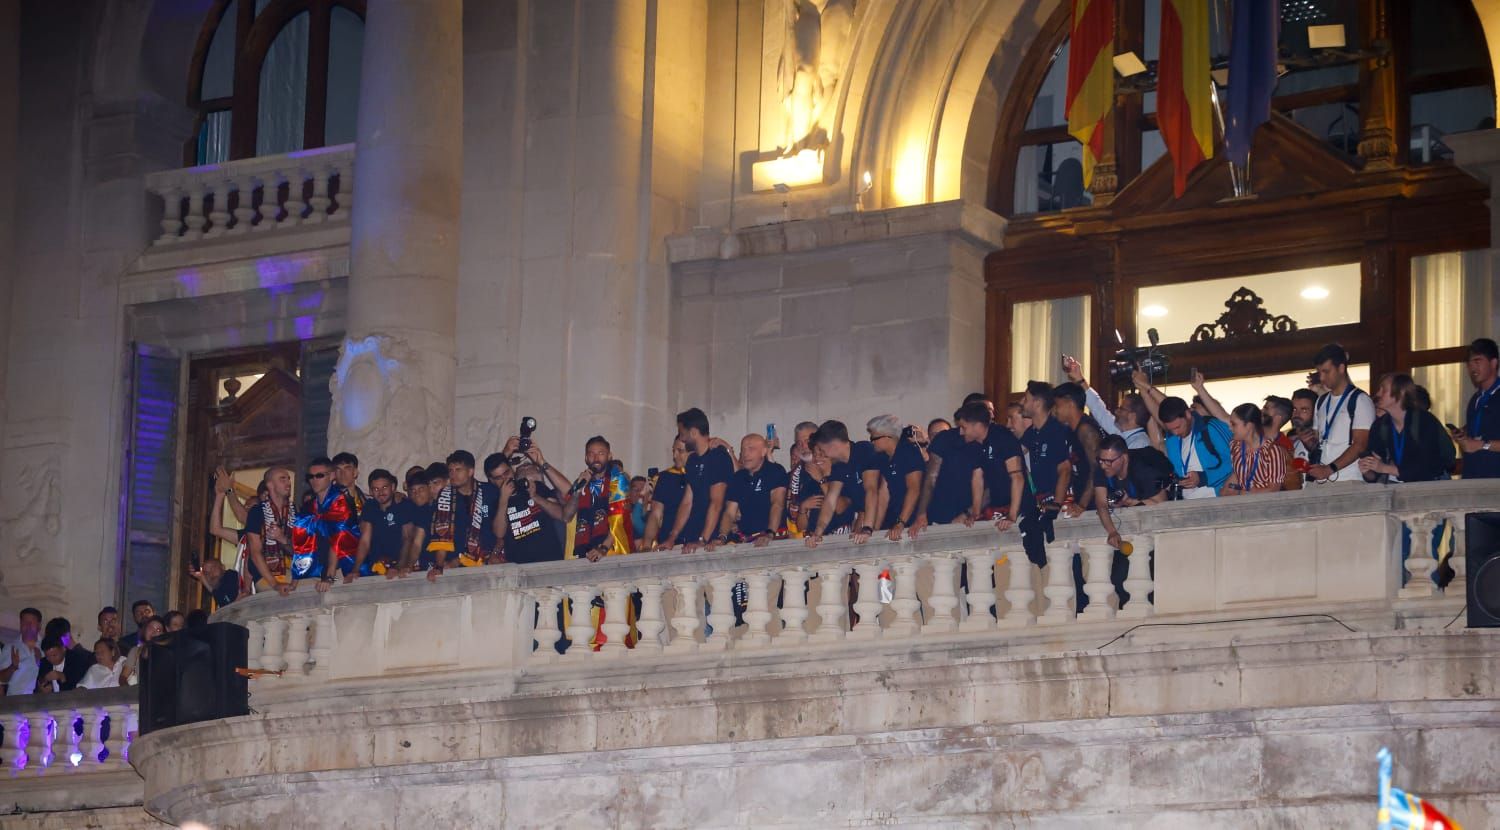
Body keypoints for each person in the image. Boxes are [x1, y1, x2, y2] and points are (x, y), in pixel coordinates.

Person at [1135, 371, 1231, 498]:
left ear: (1188, 414)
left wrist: (1202, 477)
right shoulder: (1173, 437)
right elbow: (1164, 407)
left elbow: (1234, 460)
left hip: (1219, 498)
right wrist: (1142, 389)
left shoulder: (1211, 427)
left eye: (1178, 427)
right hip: (1186, 503)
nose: (1175, 432)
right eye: (1170, 429)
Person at [412, 451, 499, 580]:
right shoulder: (444, 497)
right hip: (455, 568)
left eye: (458, 470)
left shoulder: (490, 491)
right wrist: (439, 566)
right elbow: (441, 536)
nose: (453, 474)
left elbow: (501, 529)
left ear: (470, 471)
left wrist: (496, 553)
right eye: (450, 470)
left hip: (487, 563)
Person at [1361, 373, 1452, 484]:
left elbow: (1428, 468)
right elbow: (1375, 474)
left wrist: (1386, 468)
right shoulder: (1380, 426)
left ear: (1401, 392)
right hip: (1401, 489)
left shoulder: (1424, 421)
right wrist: (1368, 471)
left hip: (1431, 490)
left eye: (1383, 390)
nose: (1378, 394)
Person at [805, 420, 883, 547]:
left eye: (822, 448)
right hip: (866, 521)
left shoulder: (863, 450)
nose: (821, 453)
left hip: (884, 519)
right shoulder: (839, 466)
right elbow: (831, 500)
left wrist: (867, 529)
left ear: (833, 446)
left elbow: (871, 489)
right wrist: (817, 533)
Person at [1306, 343, 1375, 483]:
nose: (1322, 377)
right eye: (1319, 372)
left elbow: (1360, 444)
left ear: (1341, 368)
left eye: (1326, 371)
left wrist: (1329, 469)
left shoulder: (1360, 400)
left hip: (1349, 479)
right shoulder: (1321, 401)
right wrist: (1306, 440)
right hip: (1321, 480)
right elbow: (1318, 442)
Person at [1092, 435, 1174, 549]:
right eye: (1100, 460)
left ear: (1124, 458)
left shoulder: (1143, 469)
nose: (1103, 465)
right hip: (1131, 525)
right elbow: (1101, 503)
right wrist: (1112, 532)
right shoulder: (1102, 468)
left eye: (1108, 461)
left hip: (1161, 525)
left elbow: (1161, 503)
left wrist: (1130, 502)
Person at [911, 405, 981, 539]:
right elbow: (931, 478)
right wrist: (921, 513)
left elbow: (986, 485)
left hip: (971, 518)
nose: (962, 432)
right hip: (940, 515)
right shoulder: (944, 441)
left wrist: (969, 512)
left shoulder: (985, 443)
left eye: (964, 427)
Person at [709, 434, 788, 547]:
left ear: (763, 452)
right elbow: (729, 513)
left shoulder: (775, 471)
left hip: (774, 540)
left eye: (751, 449)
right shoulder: (738, 478)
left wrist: (769, 534)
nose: (745, 454)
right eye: (743, 449)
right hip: (747, 541)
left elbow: (777, 504)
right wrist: (722, 537)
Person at [955, 401, 1024, 530]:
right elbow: (977, 478)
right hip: (997, 507)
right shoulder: (974, 444)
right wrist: (975, 513)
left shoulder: (1002, 437)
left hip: (1019, 507)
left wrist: (1012, 516)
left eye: (964, 428)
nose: (961, 432)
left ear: (977, 425)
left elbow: (1017, 477)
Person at [675, 408, 734, 553]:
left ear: (694, 432)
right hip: (692, 537)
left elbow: (716, 503)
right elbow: (687, 502)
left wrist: (703, 539)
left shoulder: (718, 457)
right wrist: (673, 536)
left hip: (712, 541)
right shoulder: (692, 461)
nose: (682, 439)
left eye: (683, 434)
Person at [487, 455, 566, 564]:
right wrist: (503, 499)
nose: (505, 479)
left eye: (506, 473)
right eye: (498, 477)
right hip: (519, 567)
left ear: (512, 469)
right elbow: (499, 534)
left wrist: (535, 497)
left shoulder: (535, 486)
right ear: (492, 480)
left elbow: (561, 515)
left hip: (550, 560)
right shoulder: (495, 503)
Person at [566, 436, 633, 562]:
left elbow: (619, 520)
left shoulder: (617, 480)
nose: (596, 458)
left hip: (611, 551)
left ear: (609, 456)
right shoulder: (581, 481)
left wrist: (602, 548)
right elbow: (566, 516)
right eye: (591, 454)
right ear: (586, 458)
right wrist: (577, 492)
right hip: (584, 553)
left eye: (601, 453)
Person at [349, 468, 416, 581]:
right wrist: (355, 570)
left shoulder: (404, 506)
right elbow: (365, 541)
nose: (380, 492)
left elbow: (408, 539)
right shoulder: (370, 507)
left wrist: (398, 567)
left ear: (393, 487)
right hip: (377, 569)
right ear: (370, 491)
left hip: (402, 570)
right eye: (375, 489)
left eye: (385, 487)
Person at [867, 415, 924, 541]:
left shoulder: (909, 452)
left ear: (888, 437)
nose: (872, 441)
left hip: (913, 522)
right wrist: (875, 529)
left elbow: (914, 489)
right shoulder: (883, 457)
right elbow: (883, 494)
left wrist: (900, 522)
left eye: (874, 438)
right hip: (894, 518)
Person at [243, 467, 296, 595]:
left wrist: (283, 539)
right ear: (270, 485)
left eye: (288, 479)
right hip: (267, 578)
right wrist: (275, 584)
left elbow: (299, 551)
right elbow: (255, 553)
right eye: (282, 479)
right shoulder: (257, 512)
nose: (288, 482)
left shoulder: (295, 512)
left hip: (292, 575)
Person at [1053, 382, 1104, 513]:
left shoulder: (1085, 430)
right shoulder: (1071, 430)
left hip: (1094, 506)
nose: (1055, 410)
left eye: (1057, 405)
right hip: (1083, 502)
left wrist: (1082, 504)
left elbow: (1098, 468)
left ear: (1070, 404)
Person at [1220, 403, 1287, 496]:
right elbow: (1238, 473)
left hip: (1265, 506)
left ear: (1249, 426)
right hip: (1243, 505)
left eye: (1234, 424)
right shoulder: (1235, 446)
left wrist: (1240, 493)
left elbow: (1274, 490)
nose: (1230, 428)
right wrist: (1225, 489)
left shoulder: (1272, 451)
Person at [1457, 337, 1500, 478]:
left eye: (1477, 361)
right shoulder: (1476, 399)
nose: (1472, 368)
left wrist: (1482, 445)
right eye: (1469, 363)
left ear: (1493, 363)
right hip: (1473, 475)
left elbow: (1480, 442)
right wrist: (1464, 436)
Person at [642, 438, 692, 550]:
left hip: (692, 544)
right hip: (668, 545)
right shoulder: (665, 477)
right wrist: (646, 545)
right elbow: (655, 514)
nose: (675, 456)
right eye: (673, 451)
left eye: (680, 451)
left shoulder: (701, 475)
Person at [0, 607, 44, 696]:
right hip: (15, 701)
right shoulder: (10, 648)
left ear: (39, 626)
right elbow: (1, 679)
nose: (28, 626)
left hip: (41, 702)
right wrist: (13, 667)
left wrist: (40, 662)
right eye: (24, 622)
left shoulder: (46, 647)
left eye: (31, 623)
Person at [121, 616, 166, 687]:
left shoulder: (167, 653)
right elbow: (123, 677)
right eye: (151, 628)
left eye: (158, 630)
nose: (154, 632)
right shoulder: (136, 651)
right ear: (144, 630)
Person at [628, 476, 652, 541]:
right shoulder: (624, 510)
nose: (640, 494)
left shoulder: (653, 512)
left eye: (643, 490)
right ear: (629, 492)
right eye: (636, 490)